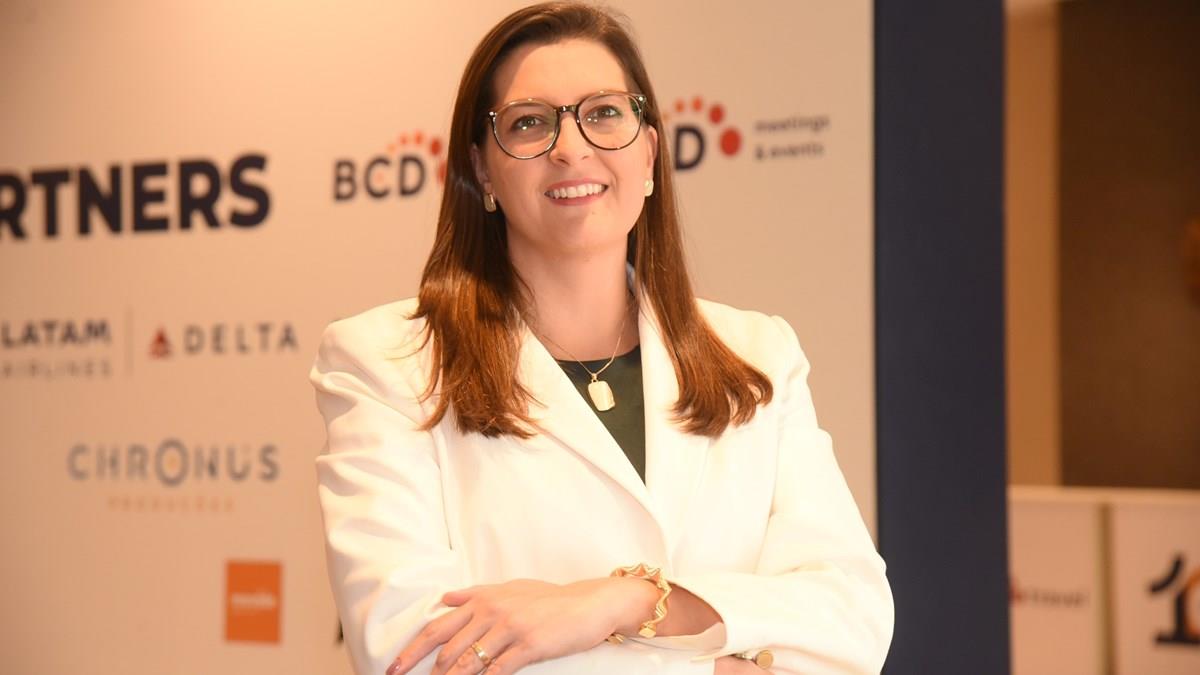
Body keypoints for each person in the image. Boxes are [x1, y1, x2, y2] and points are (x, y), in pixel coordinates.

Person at [309, 3, 894, 674]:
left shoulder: (760, 355)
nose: (571, 147)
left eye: (605, 113)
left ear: (649, 154)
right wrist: (719, 664)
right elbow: (415, 650)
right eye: (529, 122)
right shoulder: (386, 365)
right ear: (482, 171)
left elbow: (853, 615)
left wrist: (621, 602)